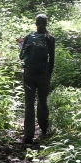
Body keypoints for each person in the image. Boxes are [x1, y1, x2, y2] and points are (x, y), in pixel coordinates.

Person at [19, 13, 55, 144]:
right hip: (43, 75)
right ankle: (44, 129)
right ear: (46, 24)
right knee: (42, 101)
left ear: (36, 23)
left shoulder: (29, 37)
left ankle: (28, 135)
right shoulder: (50, 38)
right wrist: (48, 73)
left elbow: (22, 56)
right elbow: (52, 59)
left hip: (29, 74)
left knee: (29, 103)